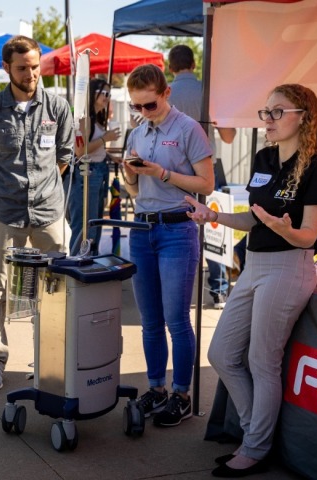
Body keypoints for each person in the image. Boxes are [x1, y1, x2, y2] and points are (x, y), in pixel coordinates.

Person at [185, 83, 317, 477]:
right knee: (221, 353)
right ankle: (256, 434)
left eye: (277, 112)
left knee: (261, 361)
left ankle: (255, 448)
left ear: (304, 117)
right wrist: (213, 217)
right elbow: (252, 219)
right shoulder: (265, 157)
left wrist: (279, 227)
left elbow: (307, 236)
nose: (267, 120)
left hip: (289, 267)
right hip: (254, 265)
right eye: (265, 112)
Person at [0, 35, 73, 390]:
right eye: (22, 68)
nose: (31, 74)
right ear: (6, 69)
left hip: (50, 214)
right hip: (6, 214)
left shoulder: (57, 108)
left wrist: (41, 190)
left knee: (56, 289)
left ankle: (48, 356)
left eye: (34, 66)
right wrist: (0, 194)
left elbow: (63, 156)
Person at [121, 63, 215, 427]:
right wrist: (130, 174)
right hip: (143, 228)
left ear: (166, 94)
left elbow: (206, 184)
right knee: (149, 321)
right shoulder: (138, 132)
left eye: (150, 106)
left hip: (177, 229)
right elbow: (134, 190)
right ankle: (156, 388)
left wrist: (160, 172)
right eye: (137, 107)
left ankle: (181, 394)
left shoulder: (189, 129)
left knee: (176, 319)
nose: (143, 113)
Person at [167, 44, 236, 309]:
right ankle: (218, 290)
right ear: (194, 65)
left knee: (177, 228)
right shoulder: (209, 93)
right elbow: (229, 136)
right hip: (208, 166)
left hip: (175, 171)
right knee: (213, 227)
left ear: (171, 67)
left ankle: (178, 288)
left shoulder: (167, 94)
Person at [66, 78, 121, 255]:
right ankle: (79, 263)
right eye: (103, 93)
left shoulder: (97, 117)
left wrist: (109, 155)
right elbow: (80, 151)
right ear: (93, 93)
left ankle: (89, 261)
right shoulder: (84, 118)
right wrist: (106, 138)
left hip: (98, 171)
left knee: (95, 222)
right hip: (87, 174)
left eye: (109, 93)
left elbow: (92, 150)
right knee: (85, 224)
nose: (107, 97)